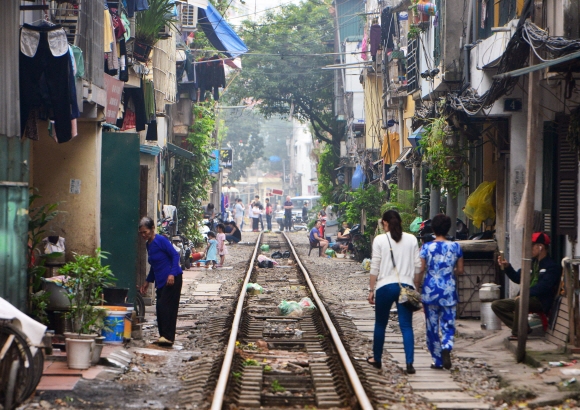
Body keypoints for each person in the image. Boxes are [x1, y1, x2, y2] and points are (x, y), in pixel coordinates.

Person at [367, 210, 421, 374]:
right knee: (406, 326)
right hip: (406, 286)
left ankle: (376, 359)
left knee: (380, 324)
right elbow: (418, 266)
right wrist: (415, 287)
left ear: (385, 223)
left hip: (384, 286)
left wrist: (371, 290)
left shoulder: (379, 240)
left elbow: (374, 266)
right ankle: (410, 363)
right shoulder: (412, 239)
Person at [415, 214, 464, 370]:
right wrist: (450, 271)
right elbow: (460, 270)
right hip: (448, 290)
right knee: (448, 323)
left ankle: (437, 360)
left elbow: (421, 269)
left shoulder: (426, 247)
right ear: (448, 228)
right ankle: (447, 346)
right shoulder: (456, 247)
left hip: (430, 291)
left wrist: (417, 285)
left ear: (433, 229)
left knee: (431, 326)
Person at [492, 232, 561, 339]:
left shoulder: (552, 267)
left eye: (532, 246)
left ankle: (518, 333)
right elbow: (517, 278)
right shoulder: (530, 263)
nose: (529, 249)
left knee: (521, 301)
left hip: (540, 301)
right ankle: (525, 328)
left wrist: (525, 294)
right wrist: (507, 267)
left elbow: (544, 287)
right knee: (497, 305)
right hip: (526, 297)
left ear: (540, 247)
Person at [138, 217, 183, 347]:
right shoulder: (149, 245)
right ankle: (163, 336)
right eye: (141, 233)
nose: (143, 235)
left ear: (152, 229)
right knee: (160, 308)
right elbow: (154, 265)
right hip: (161, 281)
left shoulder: (161, 240)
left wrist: (172, 273)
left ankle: (168, 337)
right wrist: (147, 281)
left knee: (167, 307)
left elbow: (175, 255)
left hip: (172, 279)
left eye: (145, 232)